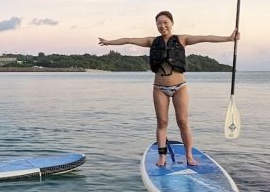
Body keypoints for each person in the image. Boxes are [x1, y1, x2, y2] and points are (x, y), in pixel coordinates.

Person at [98, 11, 238, 167]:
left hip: (180, 87)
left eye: (165, 22)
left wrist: (228, 38)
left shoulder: (182, 39)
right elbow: (127, 40)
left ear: (171, 23)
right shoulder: (152, 41)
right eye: (159, 23)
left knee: (183, 122)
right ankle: (162, 157)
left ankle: (189, 155)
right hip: (159, 88)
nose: (162, 26)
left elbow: (206, 37)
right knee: (162, 122)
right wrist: (109, 42)